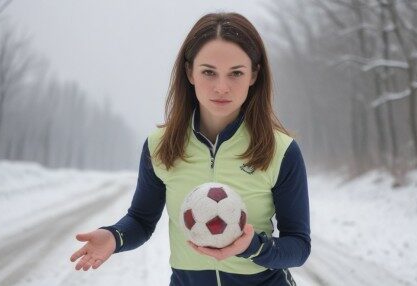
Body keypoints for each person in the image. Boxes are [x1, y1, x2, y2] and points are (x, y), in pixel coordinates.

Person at [70, 12, 311, 286]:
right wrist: (114, 237)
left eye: (236, 73)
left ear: (254, 74)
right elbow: (141, 220)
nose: (222, 87)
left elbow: (299, 246)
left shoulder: (281, 150)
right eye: (209, 72)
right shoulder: (160, 145)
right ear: (190, 72)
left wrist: (252, 247)